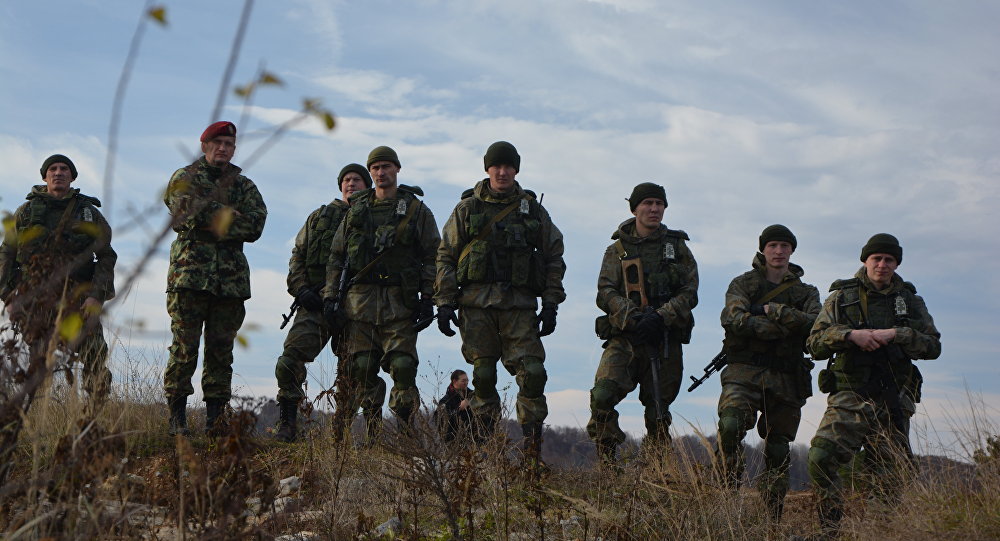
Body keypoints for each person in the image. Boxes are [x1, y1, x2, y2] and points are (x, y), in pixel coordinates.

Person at [434, 141, 566, 461]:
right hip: (476, 305)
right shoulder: (467, 209)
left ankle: (532, 454)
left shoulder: (532, 209)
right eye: (497, 166)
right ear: (487, 169)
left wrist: (550, 304)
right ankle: (486, 452)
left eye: (508, 166)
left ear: (516, 169)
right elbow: (446, 255)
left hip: (519, 305)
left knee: (533, 372)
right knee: (483, 376)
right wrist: (445, 302)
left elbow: (553, 256)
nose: (503, 172)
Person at [806, 233, 941, 536]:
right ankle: (830, 528)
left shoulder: (909, 301)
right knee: (821, 456)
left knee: (888, 475)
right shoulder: (842, 297)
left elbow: (933, 346)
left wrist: (898, 334)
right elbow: (814, 343)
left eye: (889, 260)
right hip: (850, 396)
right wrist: (850, 336)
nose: (882, 265)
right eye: (876, 258)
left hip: (893, 399)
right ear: (865, 260)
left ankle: (877, 532)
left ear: (896, 263)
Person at [322, 146, 440, 430]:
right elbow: (337, 256)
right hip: (360, 303)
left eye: (387, 166)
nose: (381, 172)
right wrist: (330, 297)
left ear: (397, 169)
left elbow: (433, 255)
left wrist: (428, 299)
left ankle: (406, 430)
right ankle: (370, 431)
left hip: (400, 303)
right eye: (375, 167)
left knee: (403, 366)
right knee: (360, 368)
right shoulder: (357, 210)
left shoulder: (416, 210)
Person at [162, 121, 267, 436]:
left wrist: (208, 214)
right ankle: (177, 419)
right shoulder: (185, 177)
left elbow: (256, 226)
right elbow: (184, 212)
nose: (224, 148)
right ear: (204, 145)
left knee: (221, 352)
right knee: (184, 348)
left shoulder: (244, 186)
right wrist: (229, 214)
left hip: (230, 282)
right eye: (218, 142)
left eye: (229, 144)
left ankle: (215, 421)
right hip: (189, 278)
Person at [715, 225, 821, 521]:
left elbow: (816, 324)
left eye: (784, 246)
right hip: (744, 371)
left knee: (778, 448)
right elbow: (733, 318)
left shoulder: (806, 292)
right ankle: (726, 491)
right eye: (773, 245)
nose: (778, 251)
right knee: (731, 425)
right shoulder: (743, 283)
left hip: (787, 377)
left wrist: (773, 311)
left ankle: (772, 514)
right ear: (763, 249)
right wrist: (781, 329)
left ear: (792, 251)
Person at [272, 164, 385, 442]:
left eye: (358, 179)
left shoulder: (377, 218)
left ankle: (345, 432)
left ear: (367, 185)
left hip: (358, 306)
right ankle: (288, 423)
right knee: (288, 362)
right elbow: (297, 256)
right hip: (317, 303)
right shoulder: (319, 217)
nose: (351, 184)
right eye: (346, 179)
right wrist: (300, 290)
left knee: (359, 370)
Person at [586, 182, 698, 463]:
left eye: (659, 204)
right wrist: (632, 316)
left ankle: (656, 471)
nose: (654, 209)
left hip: (664, 338)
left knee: (658, 409)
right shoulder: (618, 250)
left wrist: (662, 317)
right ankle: (608, 466)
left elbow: (689, 291)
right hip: (626, 337)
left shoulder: (677, 247)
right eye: (647, 203)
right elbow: (606, 291)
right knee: (602, 395)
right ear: (635, 208)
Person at [0, 154, 117, 406]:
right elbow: (6, 255)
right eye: (52, 169)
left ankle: (95, 414)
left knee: (94, 355)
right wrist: (9, 297)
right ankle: (37, 417)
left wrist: (97, 295)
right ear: (45, 176)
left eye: (64, 169)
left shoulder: (88, 213)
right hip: (38, 300)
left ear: (72, 177)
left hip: (80, 297)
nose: (58, 172)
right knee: (39, 361)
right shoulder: (26, 213)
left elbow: (106, 256)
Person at [436, 369, 473, 443]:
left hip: (473, 439)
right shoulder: (445, 400)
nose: (466, 383)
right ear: (454, 381)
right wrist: (459, 408)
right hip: (454, 442)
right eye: (463, 381)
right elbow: (442, 421)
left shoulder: (472, 396)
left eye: (467, 380)